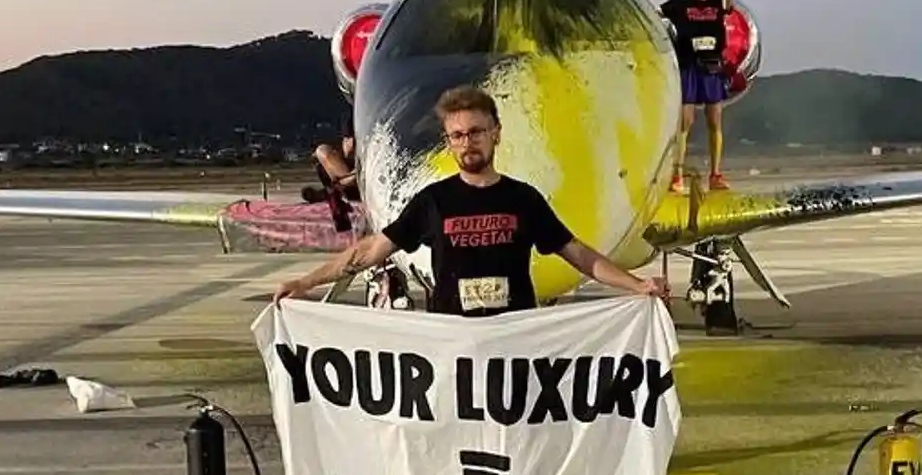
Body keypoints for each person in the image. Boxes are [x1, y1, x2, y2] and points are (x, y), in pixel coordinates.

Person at [272, 85, 668, 314]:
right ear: (448, 142)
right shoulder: (432, 202)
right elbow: (368, 252)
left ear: (496, 133)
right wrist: (304, 282)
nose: (468, 142)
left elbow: (579, 255)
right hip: (453, 344)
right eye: (457, 135)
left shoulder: (523, 199)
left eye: (476, 132)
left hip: (514, 342)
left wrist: (636, 286)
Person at [659, 0, 736, 195]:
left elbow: (729, 6)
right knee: (686, 120)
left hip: (711, 65)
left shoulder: (716, 1)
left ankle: (715, 174)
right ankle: (677, 175)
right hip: (688, 65)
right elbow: (655, 12)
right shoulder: (679, 3)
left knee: (715, 119)